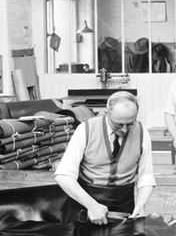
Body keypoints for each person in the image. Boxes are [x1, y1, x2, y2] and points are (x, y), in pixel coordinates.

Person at [55, 91, 155, 226]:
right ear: (106, 112)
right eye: (119, 124)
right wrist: (91, 205)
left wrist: (141, 205)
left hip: (125, 205)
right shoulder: (85, 130)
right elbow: (63, 175)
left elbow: (146, 176)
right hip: (85, 204)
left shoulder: (143, 133)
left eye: (130, 123)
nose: (125, 130)